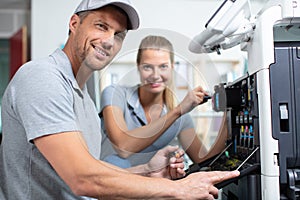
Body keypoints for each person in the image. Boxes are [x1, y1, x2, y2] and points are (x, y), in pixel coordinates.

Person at [0, 0, 239, 199]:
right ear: (74, 24)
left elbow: (94, 167)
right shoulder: (43, 77)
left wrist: (146, 171)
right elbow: (84, 178)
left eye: (118, 35)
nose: (108, 41)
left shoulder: (83, 98)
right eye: (101, 26)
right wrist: (177, 189)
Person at [100, 35, 228, 168]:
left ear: (172, 68)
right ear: (138, 66)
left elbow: (205, 162)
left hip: (148, 188)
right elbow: (123, 147)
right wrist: (178, 111)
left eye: (163, 67)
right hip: (106, 186)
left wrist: (228, 118)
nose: (155, 75)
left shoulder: (181, 120)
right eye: (147, 67)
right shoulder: (115, 94)